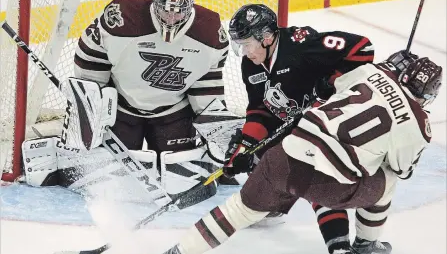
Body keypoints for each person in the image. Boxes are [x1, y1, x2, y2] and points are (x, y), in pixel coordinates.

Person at [160, 48, 442, 254]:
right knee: (387, 179)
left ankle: (179, 250)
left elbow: (334, 91)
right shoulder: (419, 124)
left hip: (284, 157)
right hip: (330, 187)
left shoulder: (369, 72)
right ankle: (366, 245)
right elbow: (401, 168)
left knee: (238, 211)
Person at [224, 4, 375, 252]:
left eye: (248, 43)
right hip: (297, 123)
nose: (245, 51)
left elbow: (363, 48)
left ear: (267, 37)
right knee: (263, 161)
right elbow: (260, 111)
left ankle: (340, 246)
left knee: (313, 173)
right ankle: (274, 202)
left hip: (330, 122)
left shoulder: (300, 44)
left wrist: (332, 84)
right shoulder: (250, 65)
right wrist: (245, 148)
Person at [69, 0, 229, 200]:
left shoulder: (210, 34)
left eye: (179, 11)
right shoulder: (122, 18)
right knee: (113, 182)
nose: (171, 18)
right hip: (121, 110)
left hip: (173, 112)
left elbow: (205, 85)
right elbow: (89, 57)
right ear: (154, 2)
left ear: (190, 7)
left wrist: (216, 133)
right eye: (165, 10)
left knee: (180, 178)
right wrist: (91, 105)